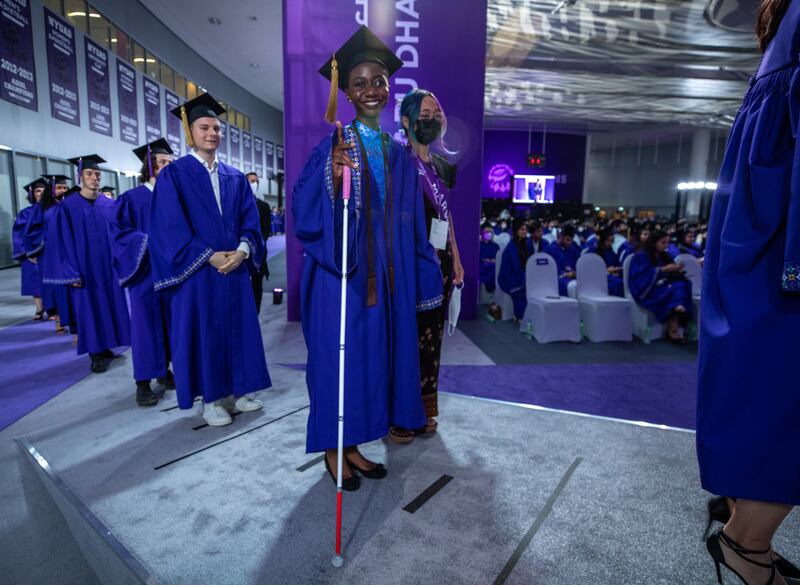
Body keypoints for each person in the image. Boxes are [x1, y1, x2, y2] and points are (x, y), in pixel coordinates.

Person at [293, 25, 443, 490]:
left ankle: (353, 445)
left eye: (378, 81)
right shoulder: (335, 145)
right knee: (338, 364)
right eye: (359, 83)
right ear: (347, 92)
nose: (371, 90)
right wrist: (332, 177)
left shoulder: (397, 153)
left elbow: (409, 226)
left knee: (368, 364)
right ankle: (333, 450)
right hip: (342, 278)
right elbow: (303, 211)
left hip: (385, 283)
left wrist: (424, 275)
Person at [698, 2, 800, 584]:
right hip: (782, 234)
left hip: (762, 227)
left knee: (762, 381)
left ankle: (742, 523)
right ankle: (744, 543)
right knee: (781, 393)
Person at [147, 94, 271, 426]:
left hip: (234, 267)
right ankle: (211, 399)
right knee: (206, 333)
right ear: (191, 132)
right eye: (205, 127)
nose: (212, 133)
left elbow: (251, 219)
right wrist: (208, 255)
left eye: (217, 128)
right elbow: (169, 225)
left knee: (240, 329)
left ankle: (241, 390)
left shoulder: (234, 176)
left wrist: (244, 249)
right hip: (199, 271)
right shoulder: (176, 175)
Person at [387, 88, 464, 443]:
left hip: (440, 267)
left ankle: (426, 407)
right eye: (425, 114)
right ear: (406, 121)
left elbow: (446, 222)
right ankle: (401, 412)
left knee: (432, 343)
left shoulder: (442, 167)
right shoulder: (397, 161)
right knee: (406, 340)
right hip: (408, 265)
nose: (432, 120)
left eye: (437, 113)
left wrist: (458, 262)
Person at [43, 155, 131, 373]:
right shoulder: (68, 207)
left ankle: (107, 346)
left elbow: (122, 236)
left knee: (110, 306)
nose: (94, 178)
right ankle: (95, 353)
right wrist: (70, 273)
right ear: (80, 176)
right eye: (90, 174)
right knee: (89, 309)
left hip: (108, 269)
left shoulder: (109, 205)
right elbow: (60, 242)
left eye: (98, 175)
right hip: (83, 270)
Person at [109, 138, 176, 407]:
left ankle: (166, 371)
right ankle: (143, 382)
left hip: (172, 272)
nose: (166, 168)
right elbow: (118, 234)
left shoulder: (175, 197)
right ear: (149, 167)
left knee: (173, 324)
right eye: (161, 163)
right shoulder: (131, 199)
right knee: (146, 327)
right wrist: (146, 241)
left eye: (170, 163)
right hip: (144, 273)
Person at [23, 175, 74, 334]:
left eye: (65, 188)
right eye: (59, 187)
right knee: (55, 287)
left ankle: (73, 322)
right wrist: (44, 240)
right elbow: (31, 231)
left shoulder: (69, 205)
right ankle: (58, 319)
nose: (62, 190)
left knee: (71, 285)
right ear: (51, 189)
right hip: (50, 253)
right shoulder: (41, 208)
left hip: (68, 252)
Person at [627, 230, 692, 343]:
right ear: (654, 242)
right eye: (663, 243)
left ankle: (676, 310)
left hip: (661, 284)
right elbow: (641, 276)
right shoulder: (641, 256)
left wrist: (675, 269)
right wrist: (663, 270)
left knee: (684, 283)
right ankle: (674, 322)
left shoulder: (664, 255)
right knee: (674, 290)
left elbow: (668, 272)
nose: (666, 246)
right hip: (646, 288)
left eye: (667, 243)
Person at [13, 179, 48, 320]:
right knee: (34, 281)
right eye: (37, 191)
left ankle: (53, 309)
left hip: (49, 252)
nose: (40, 193)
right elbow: (18, 235)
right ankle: (39, 309)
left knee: (50, 281)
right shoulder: (25, 213)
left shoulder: (52, 210)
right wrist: (26, 253)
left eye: (43, 191)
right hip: (30, 254)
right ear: (32, 194)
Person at [246, 171, 272, 313]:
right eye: (250, 181)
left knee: (257, 284)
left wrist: (254, 245)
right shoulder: (236, 204)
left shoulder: (264, 206)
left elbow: (266, 230)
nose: (253, 184)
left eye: (255, 181)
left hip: (259, 251)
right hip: (239, 253)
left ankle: (256, 312)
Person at [498, 219, 534, 320]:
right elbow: (510, 269)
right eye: (522, 229)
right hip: (511, 279)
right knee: (523, 293)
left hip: (523, 276)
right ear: (516, 231)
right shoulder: (511, 247)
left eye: (525, 229)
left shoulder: (526, 244)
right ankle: (521, 316)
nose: (524, 232)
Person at [544, 224, 580, 296]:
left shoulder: (573, 247)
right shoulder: (549, 249)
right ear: (561, 236)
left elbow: (579, 263)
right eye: (567, 240)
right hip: (557, 279)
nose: (569, 243)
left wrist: (576, 272)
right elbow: (547, 270)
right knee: (574, 286)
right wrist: (565, 274)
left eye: (571, 240)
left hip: (573, 277)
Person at [587, 227, 624, 297]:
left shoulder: (612, 252)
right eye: (608, 241)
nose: (610, 243)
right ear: (602, 240)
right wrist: (606, 270)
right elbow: (590, 270)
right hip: (599, 279)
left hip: (612, 277)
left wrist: (617, 269)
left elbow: (617, 264)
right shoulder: (593, 251)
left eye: (612, 241)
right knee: (618, 283)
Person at [479, 225, 500, 294]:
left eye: (490, 233)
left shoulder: (495, 246)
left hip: (492, 267)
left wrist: (494, 260)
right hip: (481, 266)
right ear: (483, 234)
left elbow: (498, 257)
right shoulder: (479, 245)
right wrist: (484, 260)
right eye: (486, 233)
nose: (488, 235)